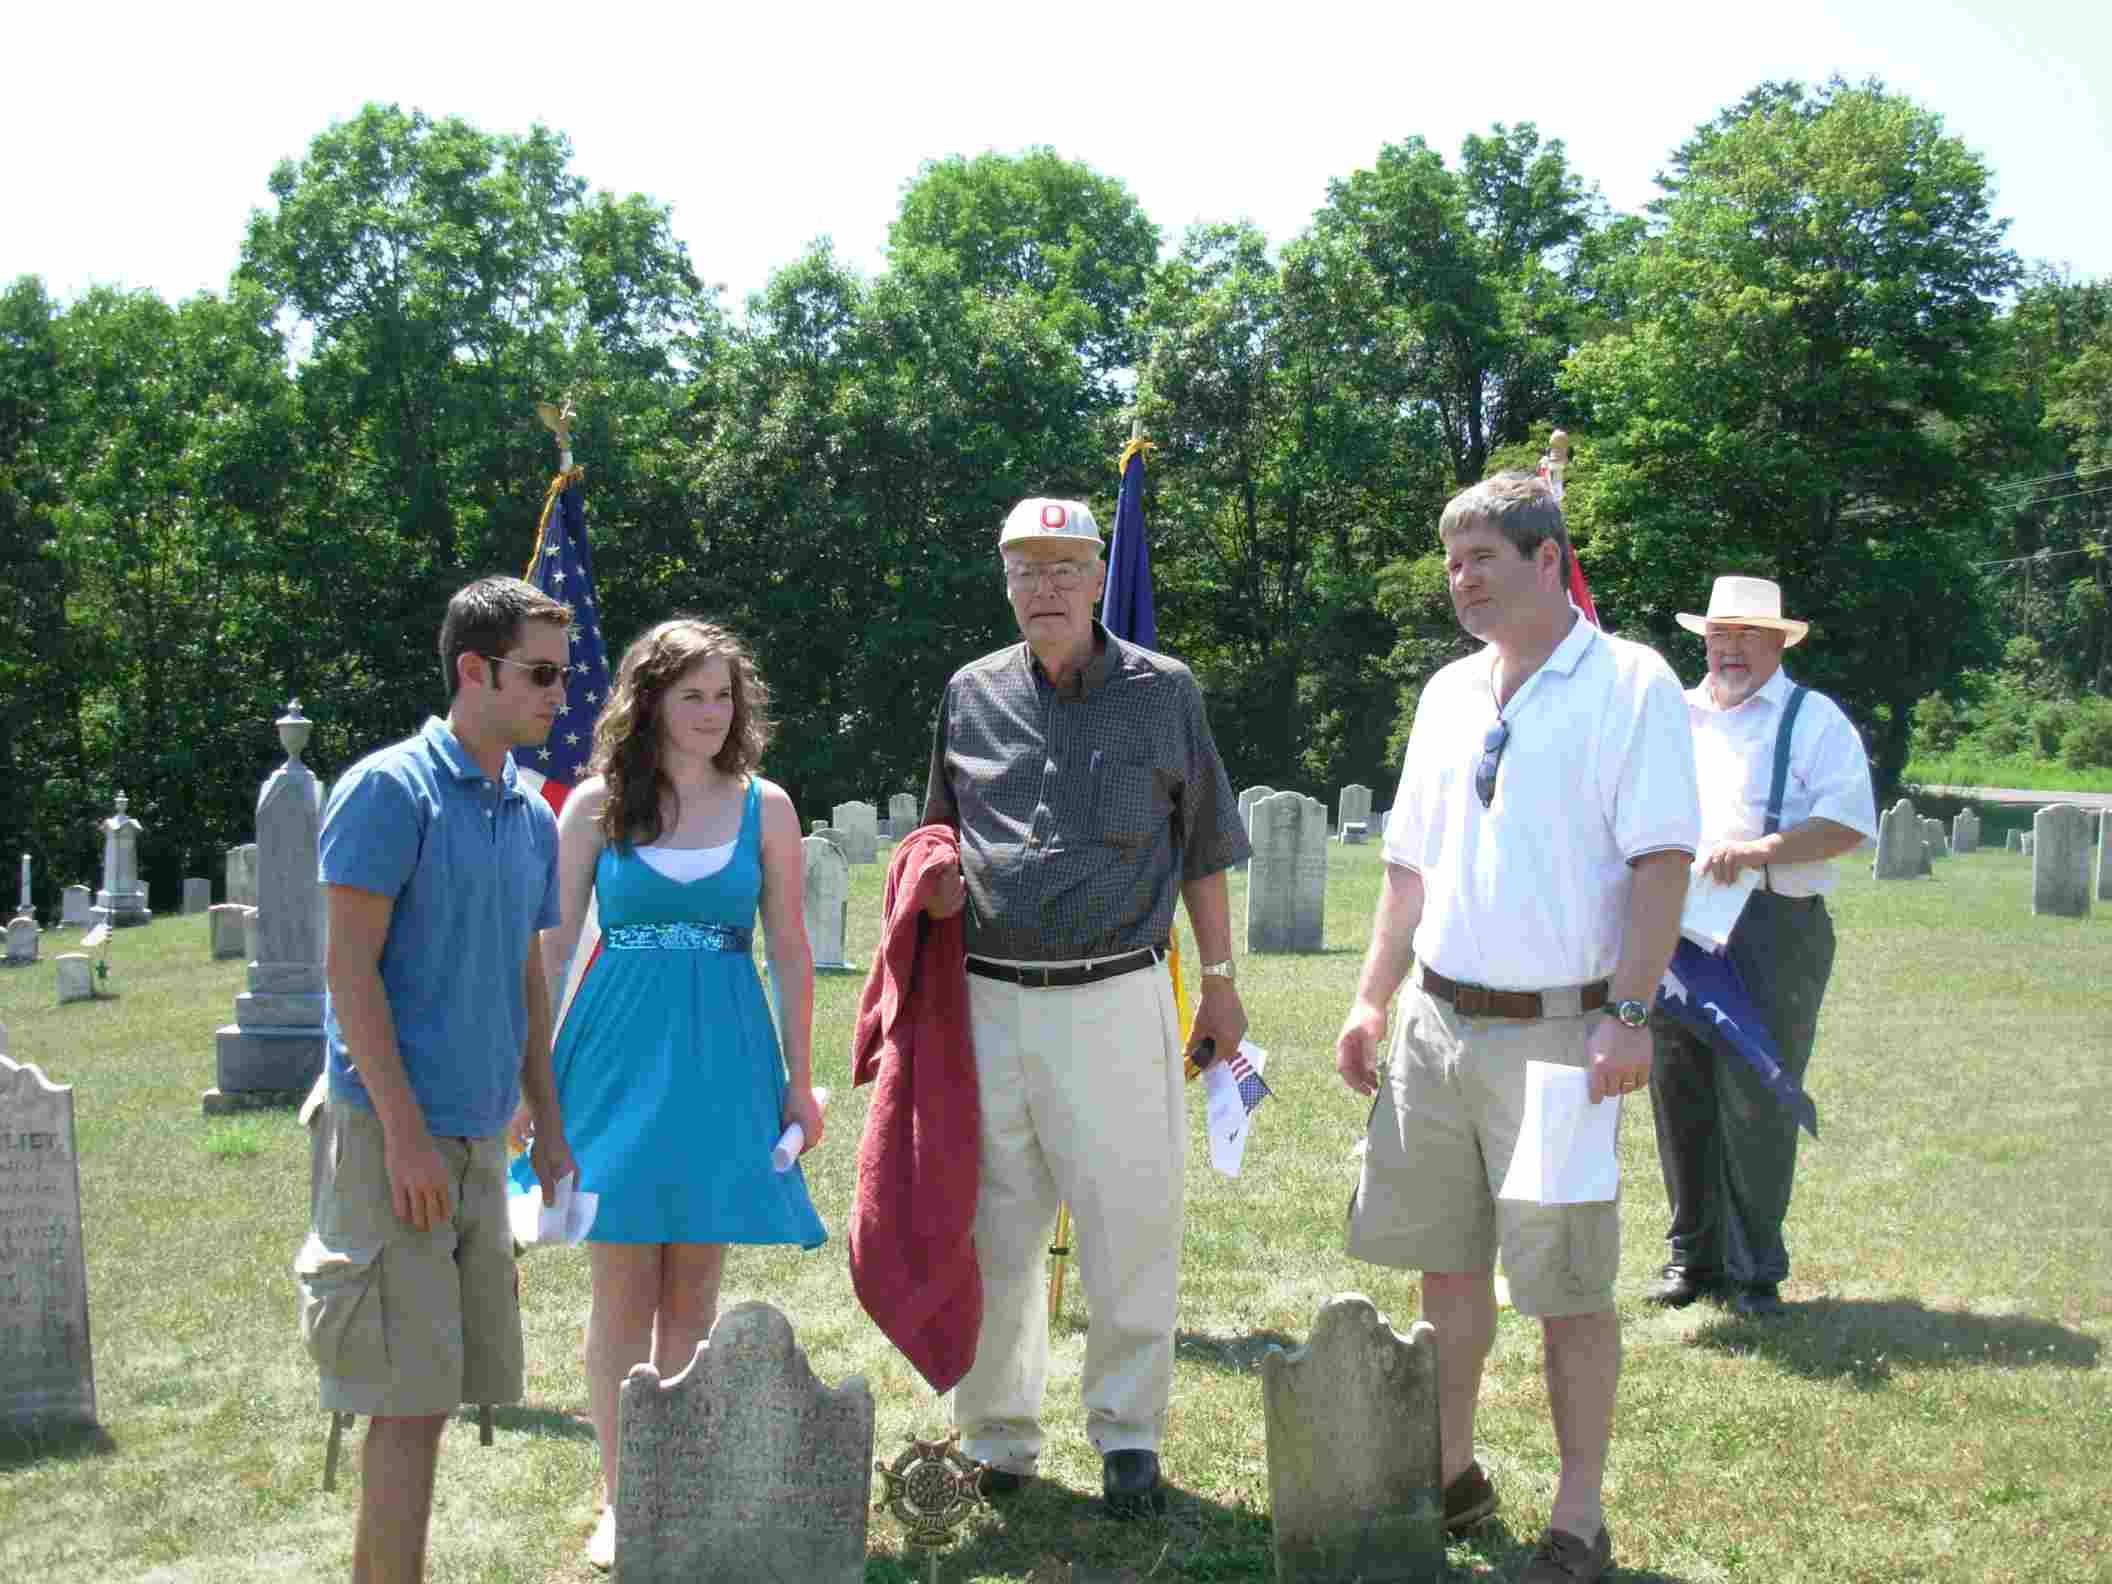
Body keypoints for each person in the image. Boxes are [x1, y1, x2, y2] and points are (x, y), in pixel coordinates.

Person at [1335, 475, 1698, 1584]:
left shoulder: (1630, 682)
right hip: (1438, 1025)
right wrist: (1368, 995)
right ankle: (1448, 1475)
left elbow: (1661, 862)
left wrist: (1629, 1014)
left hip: (1562, 1039)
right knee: (1444, 1274)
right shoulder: (1449, 693)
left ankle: (1578, 1516)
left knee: (1566, 1285)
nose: (1463, 580)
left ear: (1551, 560)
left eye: (1484, 557)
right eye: (1452, 563)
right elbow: (1409, 867)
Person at [921, 496, 1251, 1519]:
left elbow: (1202, 849)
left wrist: (1225, 981)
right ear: (1005, 581)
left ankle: (1128, 1437)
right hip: (989, 1001)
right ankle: (999, 1438)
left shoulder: (1166, 692)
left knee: (1130, 1220)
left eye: (1066, 568)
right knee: (993, 1230)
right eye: (1025, 569)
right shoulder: (968, 694)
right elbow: (939, 834)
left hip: (1116, 994)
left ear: (1100, 577)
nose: (1045, 588)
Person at [516, 617, 825, 1571]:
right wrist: (526, 1081)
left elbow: (788, 949)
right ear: (648, 698)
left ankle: (674, 1486)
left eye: (723, 694)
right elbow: (553, 949)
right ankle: (622, 1499)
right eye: (690, 693)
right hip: (610, 1063)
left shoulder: (765, 806)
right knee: (621, 1284)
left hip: (725, 1062)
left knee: (693, 1284)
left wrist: (801, 1079)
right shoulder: (595, 807)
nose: (709, 711)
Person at [298, 575, 578, 1584]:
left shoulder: (529, 814)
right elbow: (348, 973)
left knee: (446, 1392)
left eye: (564, 671)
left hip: (477, 1139)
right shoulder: (389, 790)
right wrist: (407, 1134)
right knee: (406, 1403)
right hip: (389, 1135)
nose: (560, 693)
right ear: (475, 670)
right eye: (541, 674)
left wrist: (546, 1120)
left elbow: (523, 977)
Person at [1646, 576, 1875, 1318]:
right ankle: (1693, 1258)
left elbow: (1848, 822)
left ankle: (1754, 1271)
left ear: (1780, 642)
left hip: (1772, 925)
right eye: (1719, 634)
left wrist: (1760, 849)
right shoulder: (1670, 714)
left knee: (1757, 1096)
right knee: (1677, 1093)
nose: (1730, 648)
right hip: (1674, 927)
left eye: (1748, 634)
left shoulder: (1814, 719)